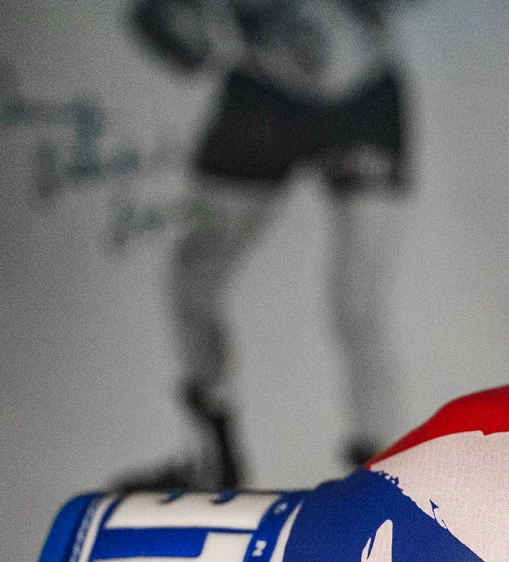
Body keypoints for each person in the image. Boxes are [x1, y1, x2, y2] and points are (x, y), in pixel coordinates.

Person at [126, 0, 409, 488]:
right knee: (193, 278)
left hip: (360, 96)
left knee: (357, 303)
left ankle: (386, 476)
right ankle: (213, 455)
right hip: (266, 97)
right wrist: (195, 30)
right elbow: (171, 34)